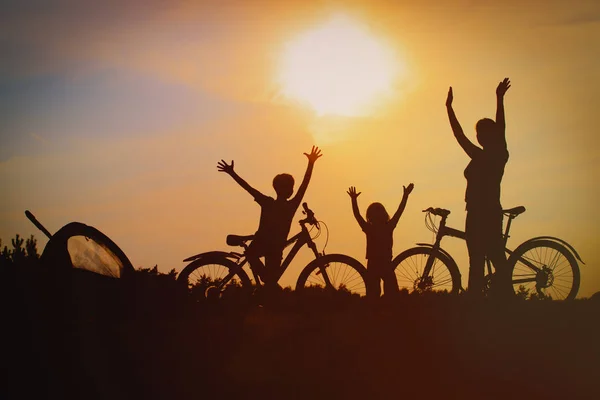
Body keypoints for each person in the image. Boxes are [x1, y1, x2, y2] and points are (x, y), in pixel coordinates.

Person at [217, 146, 322, 289]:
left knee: (269, 280)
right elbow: (304, 184)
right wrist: (311, 163)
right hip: (271, 247)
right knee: (270, 280)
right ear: (288, 190)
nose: (291, 190)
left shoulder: (268, 202)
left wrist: (232, 173)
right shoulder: (290, 205)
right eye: (289, 187)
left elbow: (248, 188)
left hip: (266, 245)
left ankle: (263, 288)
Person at [446, 78, 512, 297]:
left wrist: (499, 98)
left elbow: (501, 127)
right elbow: (459, 135)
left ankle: (505, 301)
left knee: (492, 259)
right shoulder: (480, 155)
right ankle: (478, 302)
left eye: (483, 133)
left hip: (488, 212)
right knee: (477, 260)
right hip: (474, 212)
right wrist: (449, 108)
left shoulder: (497, 154)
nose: (478, 136)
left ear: (491, 135)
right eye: (478, 133)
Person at [347, 183, 414, 298]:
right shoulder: (388, 226)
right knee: (391, 294)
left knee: (374, 295)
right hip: (386, 264)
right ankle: (388, 313)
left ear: (369, 216)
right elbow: (399, 211)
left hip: (375, 264)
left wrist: (353, 200)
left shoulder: (370, 228)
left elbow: (357, 215)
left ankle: (377, 313)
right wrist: (405, 196)